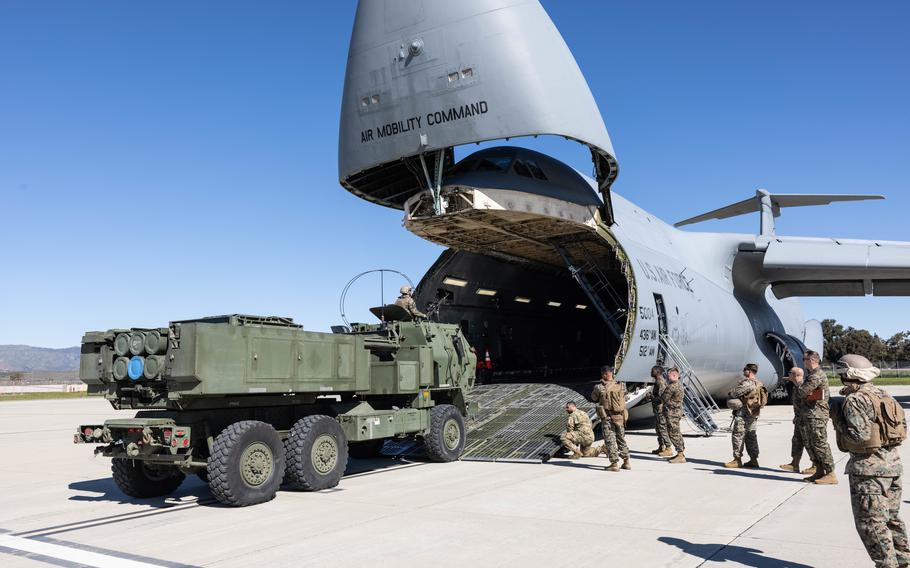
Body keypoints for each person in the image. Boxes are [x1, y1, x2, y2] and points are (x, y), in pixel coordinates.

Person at [831, 354, 909, 567]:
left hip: (868, 471)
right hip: (892, 466)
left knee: (871, 524)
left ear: (847, 375)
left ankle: (887, 565)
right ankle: (903, 562)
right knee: (891, 519)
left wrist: (837, 419)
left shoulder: (855, 400)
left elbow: (859, 436)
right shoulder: (884, 395)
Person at [794, 351, 837, 484]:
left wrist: (798, 384)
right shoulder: (811, 375)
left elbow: (802, 392)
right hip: (810, 414)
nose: (803, 361)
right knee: (811, 444)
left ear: (812, 360)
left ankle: (830, 473)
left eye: (804, 359)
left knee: (819, 443)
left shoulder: (816, 376)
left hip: (817, 415)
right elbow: (806, 394)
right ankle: (819, 470)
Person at [725, 363, 765, 469]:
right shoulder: (759, 383)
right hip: (753, 414)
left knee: (738, 436)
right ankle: (753, 459)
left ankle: (737, 460)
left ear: (750, 371)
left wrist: (730, 392)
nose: (743, 371)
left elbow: (734, 394)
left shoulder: (747, 383)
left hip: (743, 414)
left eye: (745, 370)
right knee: (751, 436)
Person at [591, 366, 630, 471]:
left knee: (610, 441)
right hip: (620, 417)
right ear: (612, 373)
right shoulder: (621, 385)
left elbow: (593, 398)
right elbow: (626, 397)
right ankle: (626, 462)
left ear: (604, 374)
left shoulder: (599, 387)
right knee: (621, 439)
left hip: (607, 418)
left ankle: (614, 464)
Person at [780, 367, 816, 475]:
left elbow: (811, 404)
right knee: (796, 441)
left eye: (790, 373)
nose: (788, 374)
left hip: (806, 419)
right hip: (799, 419)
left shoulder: (805, 387)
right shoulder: (796, 387)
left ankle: (816, 465)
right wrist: (796, 416)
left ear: (796, 375)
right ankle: (794, 464)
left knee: (809, 442)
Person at [660, 367, 686, 464]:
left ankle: (680, 454)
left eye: (669, 375)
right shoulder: (679, 384)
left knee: (673, 433)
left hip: (672, 413)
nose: (667, 376)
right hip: (677, 412)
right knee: (677, 432)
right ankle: (680, 452)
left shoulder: (672, 387)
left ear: (674, 375)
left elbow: (664, 398)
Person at [649, 365, 672, 456]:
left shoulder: (660, 382)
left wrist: (651, 397)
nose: (651, 372)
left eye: (652, 371)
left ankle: (668, 448)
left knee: (662, 428)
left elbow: (661, 398)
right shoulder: (657, 381)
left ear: (657, 372)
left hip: (661, 410)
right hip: (657, 409)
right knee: (658, 429)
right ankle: (661, 446)